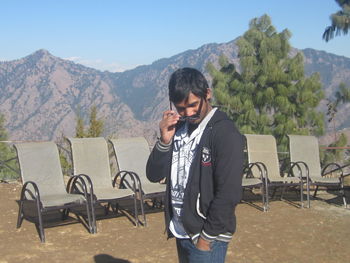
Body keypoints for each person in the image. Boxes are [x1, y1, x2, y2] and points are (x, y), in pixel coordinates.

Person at [146, 67, 243, 263]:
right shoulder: (178, 129)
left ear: (207, 94)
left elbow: (229, 193)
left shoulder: (225, 133)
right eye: (181, 108)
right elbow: (153, 175)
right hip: (181, 231)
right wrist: (164, 142)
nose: (188, 113)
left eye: (193, 105)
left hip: (208, 237)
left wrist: (205, 240)